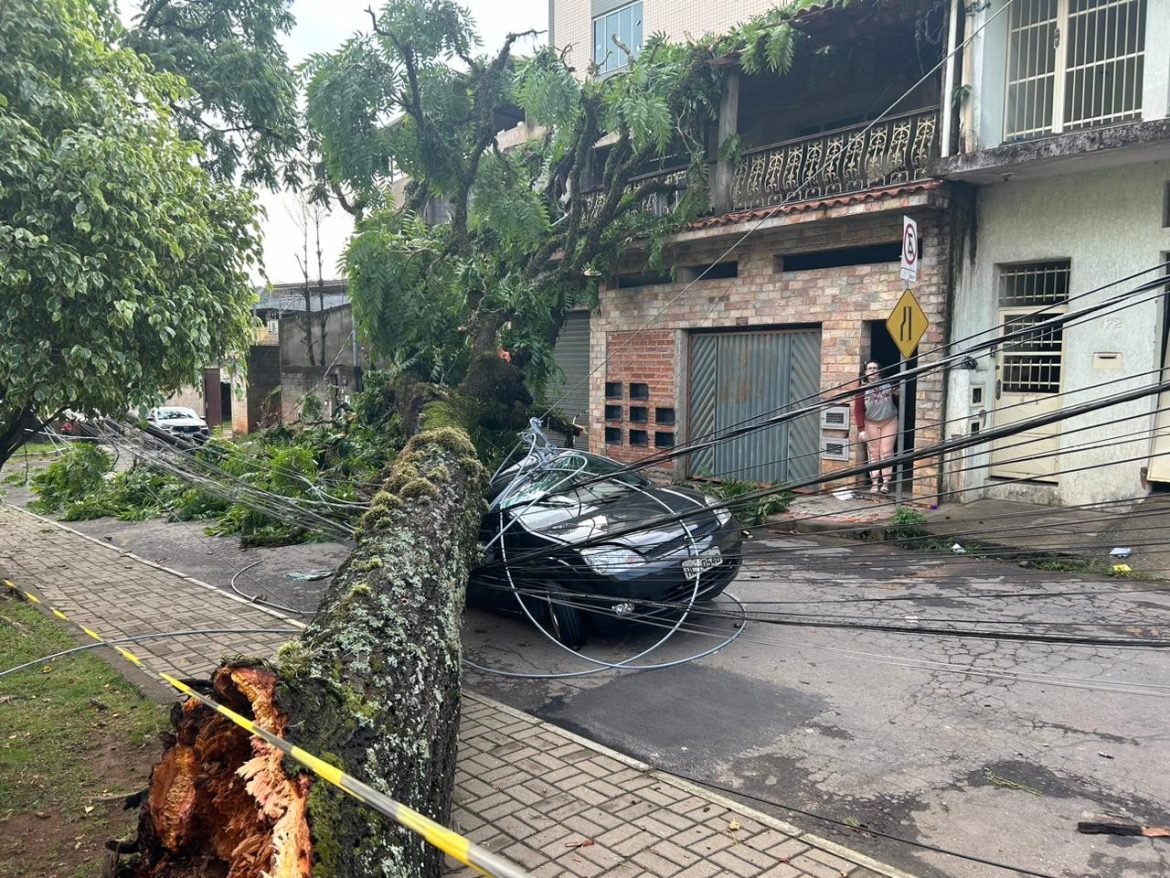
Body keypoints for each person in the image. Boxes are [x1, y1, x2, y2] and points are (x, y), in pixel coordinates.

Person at [853, 361, 898, 495]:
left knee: (886, 451)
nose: (872, 370)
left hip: (889, 421)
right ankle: (874, 483)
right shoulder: (862, 389)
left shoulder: (889, 384)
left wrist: (897, 393)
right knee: (873, 452)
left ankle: (885, 483)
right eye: (869, 368)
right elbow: (858, 410)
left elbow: (899, 396)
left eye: (875, 368)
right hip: (871, 423)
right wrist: (861, 429)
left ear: (879, 371)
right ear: (866, 372)